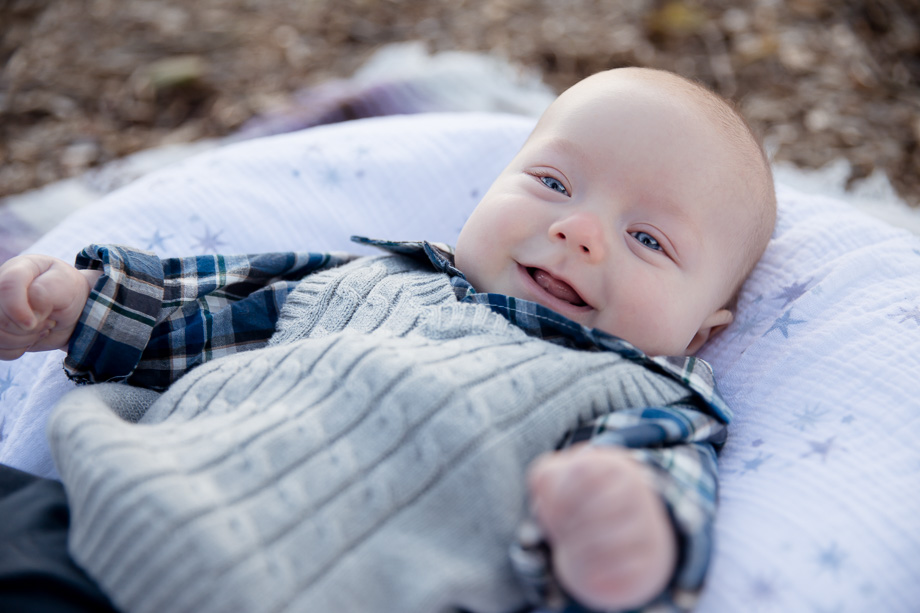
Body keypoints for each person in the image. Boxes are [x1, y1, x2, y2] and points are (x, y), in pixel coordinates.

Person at [0, 67, 775, 613]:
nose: (577, 230)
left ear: (701, 332)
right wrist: (72, 304)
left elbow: (658, 494)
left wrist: (624, 532)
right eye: (552, 184)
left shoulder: (640, 392)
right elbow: (202, 310)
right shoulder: (375, 277)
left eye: (647, 238)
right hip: (81, 512)